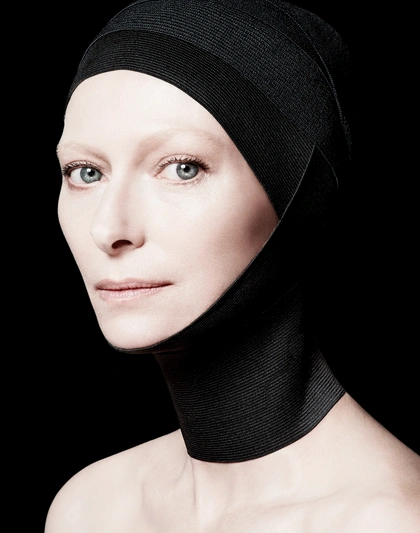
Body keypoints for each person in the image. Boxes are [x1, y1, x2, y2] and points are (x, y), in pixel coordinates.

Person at [44, 0, 420, 531]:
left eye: (182, 168)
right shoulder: (89, 508)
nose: (108, 229)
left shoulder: (389, 521)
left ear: (299, 196)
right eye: (86, 172)